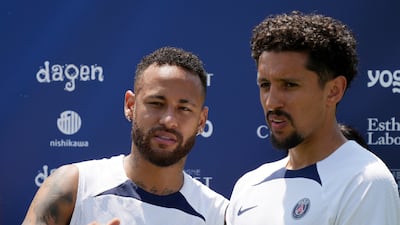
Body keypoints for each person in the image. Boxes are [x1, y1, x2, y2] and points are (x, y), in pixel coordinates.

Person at [225, 11, 400, 225]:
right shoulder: (248, 185)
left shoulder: (364, 182)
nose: (271, 102)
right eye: (265, 85)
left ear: (334, 90)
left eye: (289, 85)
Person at [22, 47, 229, 225]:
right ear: (131, 105)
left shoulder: (218, 215)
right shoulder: (74, 186)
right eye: (156, 103)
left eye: (184, 108)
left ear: (201, 121)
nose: (168, 120)